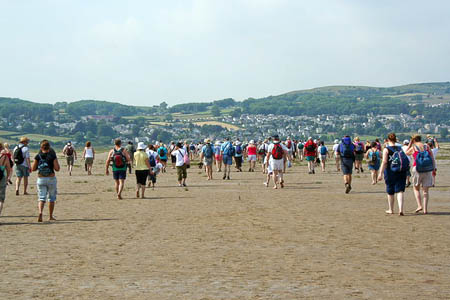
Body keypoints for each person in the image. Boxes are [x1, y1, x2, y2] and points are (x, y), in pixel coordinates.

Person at [378, 133, 408, 216]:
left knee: (390, 191)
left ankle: (391, 209)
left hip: (390, 172)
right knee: (400, 190)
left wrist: (380, 173)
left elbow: (384, 162)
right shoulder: (400, 148)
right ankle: (401, 209)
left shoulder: (386, 149)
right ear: (395, 139)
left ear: (387, 140)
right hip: (401, 171)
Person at [405, 134, 436, 214]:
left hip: (417, 169)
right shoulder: (427, 146)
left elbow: (406, 153)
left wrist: (410, 143)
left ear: (413, 140)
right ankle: (425, 210)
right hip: (428, 169)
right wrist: (434, 168)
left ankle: (419, 205)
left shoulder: (414, 147)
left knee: (416, 188)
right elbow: (432, 158)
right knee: (425, 191)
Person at [31, 140, 60, 222]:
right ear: (49, 147)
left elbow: (33, 169)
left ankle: (40, 212)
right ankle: (50, 216)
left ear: (41, 147)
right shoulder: (52, 156)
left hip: (41, 178)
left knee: (41, 198)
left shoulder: (38, 156)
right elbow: (57, 169)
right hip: (51, 178)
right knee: (51, 198)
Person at [0, 142, 12, 219]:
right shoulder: (5, 157)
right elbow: (8, 169)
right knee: (1, 199)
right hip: (2, 177)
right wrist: (8, 178)